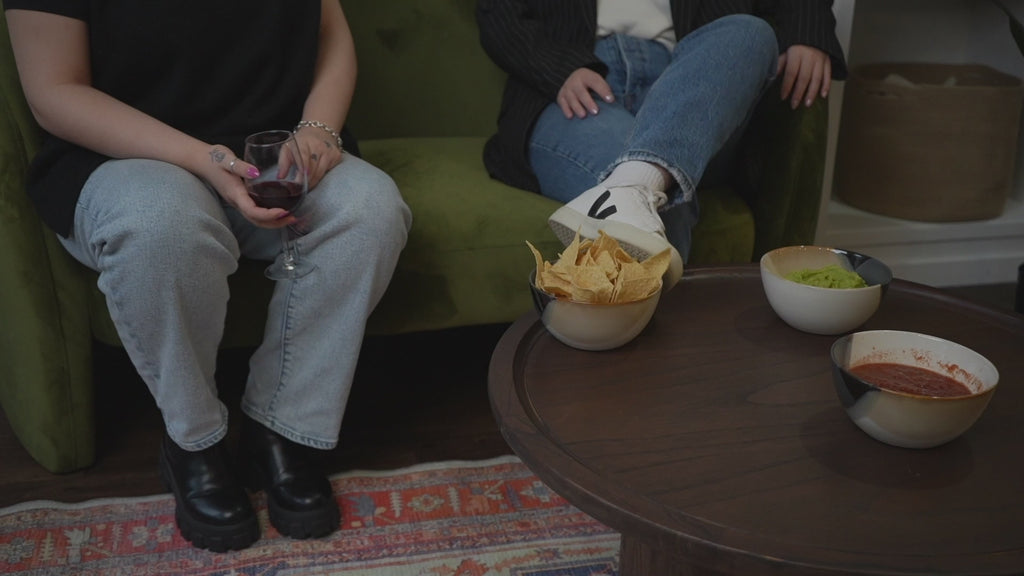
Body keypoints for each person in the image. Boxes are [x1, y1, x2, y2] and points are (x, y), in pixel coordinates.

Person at [5, 0, 412, 552]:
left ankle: (281, 431)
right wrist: (207, 160)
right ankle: (193, 442)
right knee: (163, 224)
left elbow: (330, 29)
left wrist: (319, 131)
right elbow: (54, 92)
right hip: (123, 160)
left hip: (270, 154)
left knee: (369, 209)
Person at [476, 0, 847, 288]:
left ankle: (637, 180)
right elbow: (498, 11)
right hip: (574, 88)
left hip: (695, 85)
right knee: (654, 204)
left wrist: (807, 29)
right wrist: (558, 68)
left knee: (751, 32)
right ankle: (645, 180)